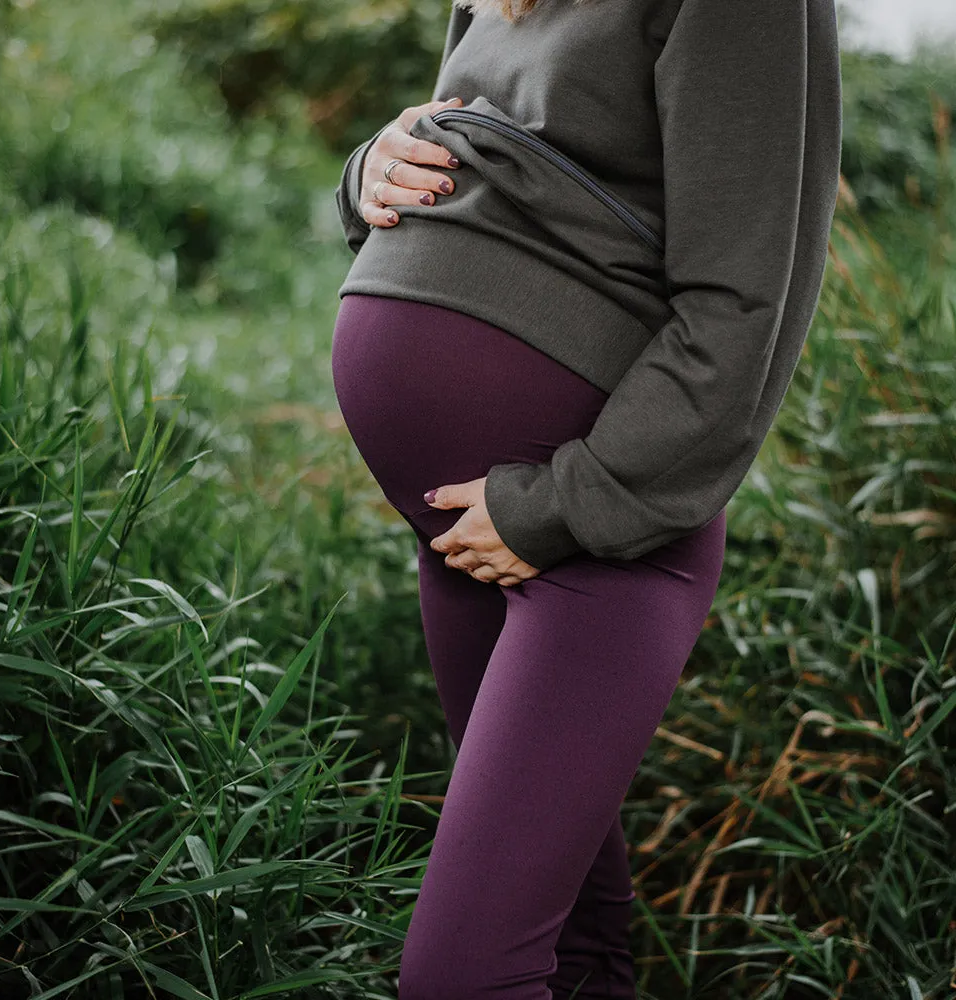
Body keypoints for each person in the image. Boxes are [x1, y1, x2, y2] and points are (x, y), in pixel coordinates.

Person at [330, 0, 842, 996]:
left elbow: (745, 303)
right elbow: (481, 154)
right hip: (465, 528)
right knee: (573, 947)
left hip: (592, 534)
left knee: (463, 975)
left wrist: (571, 503)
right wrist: (366, 174)